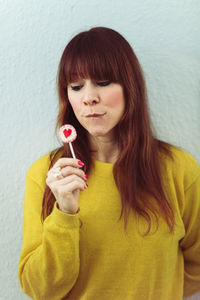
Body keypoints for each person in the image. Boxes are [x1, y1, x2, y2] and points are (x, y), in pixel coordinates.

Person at [18, 27, 200, 300]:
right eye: (76, 87)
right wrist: (65, 213)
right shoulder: (46, 174)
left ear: (130, 87)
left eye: (103, 82)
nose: (88, 97)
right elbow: (39, 289)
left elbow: (196, 268)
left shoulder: (179, 169)